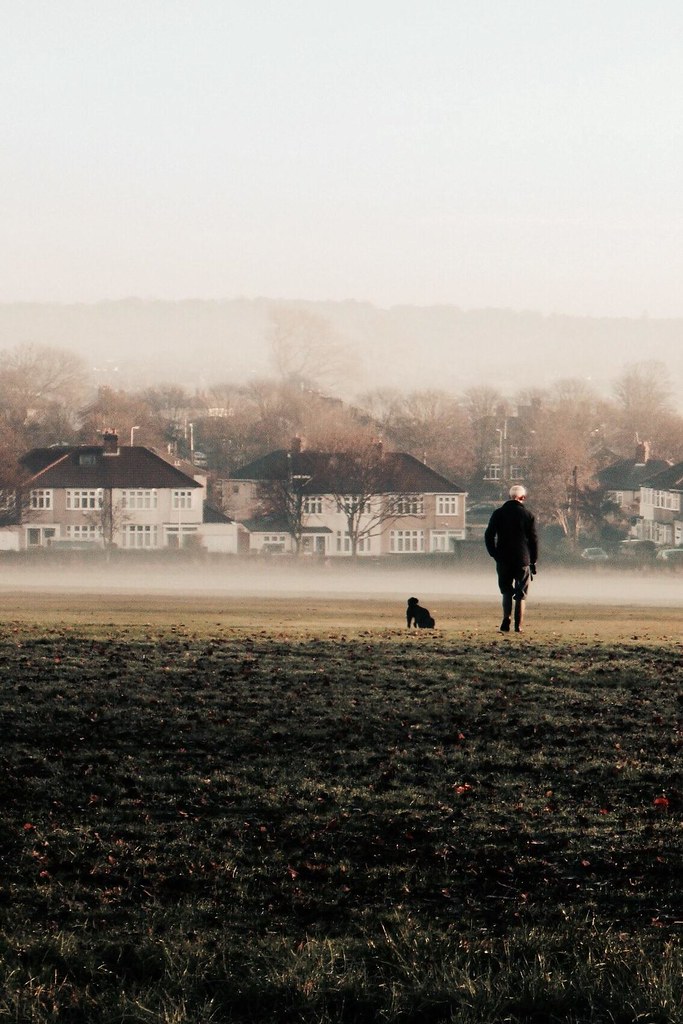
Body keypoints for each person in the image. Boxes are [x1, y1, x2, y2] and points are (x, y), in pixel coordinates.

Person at [484, 485, 538, 633]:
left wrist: (493, 553)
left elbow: (489, 535)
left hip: (503, 558)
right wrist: (533, 560)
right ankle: (518, 625)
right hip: (522, 558)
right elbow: (533, 540)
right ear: (523, 498)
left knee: (506, 591)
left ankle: (506, 619)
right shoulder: (528, 515)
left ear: (509, 496)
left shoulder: (498, 513)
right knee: (521, 593)